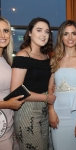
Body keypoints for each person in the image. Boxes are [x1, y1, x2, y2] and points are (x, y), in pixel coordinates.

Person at [10, 17, 56, 150]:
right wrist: (46, 97)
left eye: (47, 31)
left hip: (44, 111)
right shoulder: (22, 56)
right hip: (26, 110)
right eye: (39, 30)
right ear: (30, 33)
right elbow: (16, 91)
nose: (43, 35)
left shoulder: (47, 57)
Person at [48, 20, 76, 150]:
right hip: (57, 112)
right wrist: (51, 111)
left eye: (73, 33)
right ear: (61, 36)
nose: (70, 37)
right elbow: (50, 88)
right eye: (66, 34)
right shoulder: (54, 59)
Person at [0, 17, 25, 150]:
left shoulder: (6, 61)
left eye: (5, 30)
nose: (2, 35)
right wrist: (7, 104)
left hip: (6, 128)